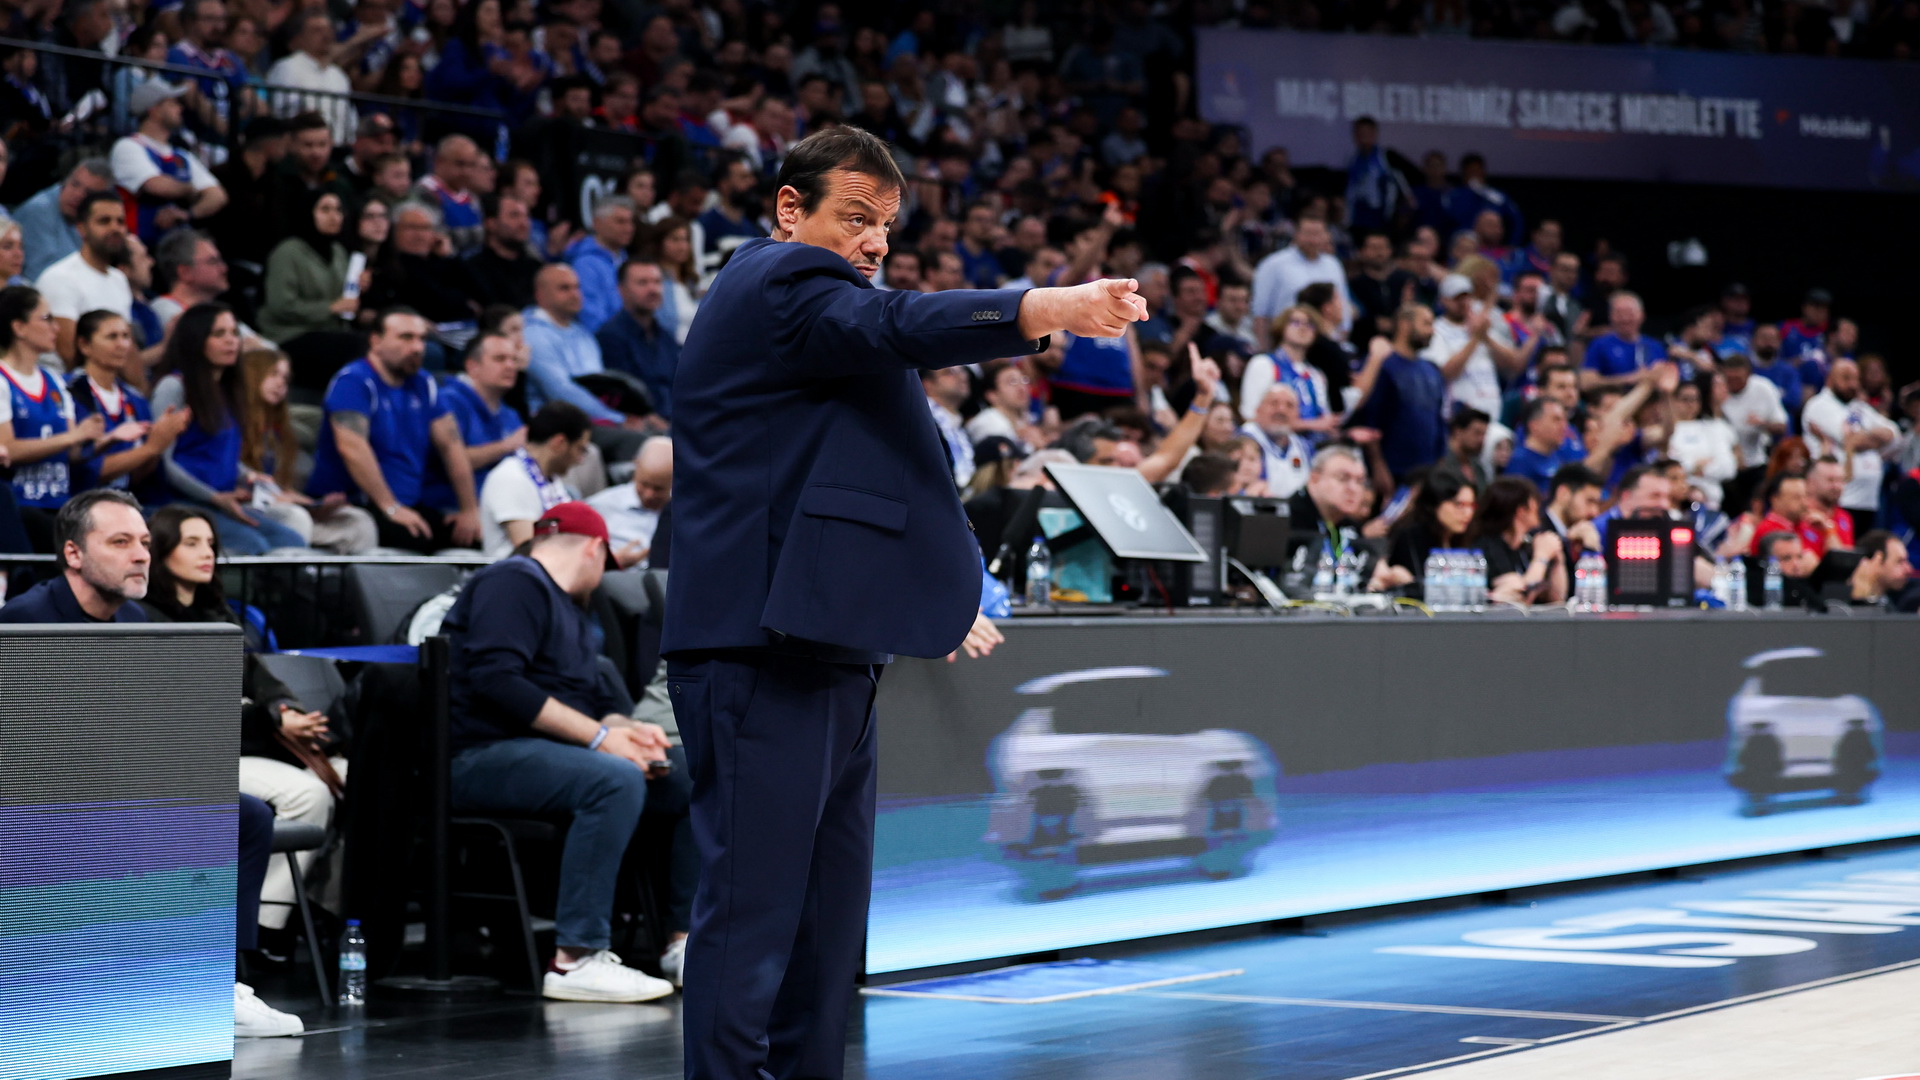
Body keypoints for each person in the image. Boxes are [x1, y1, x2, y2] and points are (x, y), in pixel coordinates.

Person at [664, 125, 1143, 1080]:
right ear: (790, 209)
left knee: (826, 930)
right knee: (754, 918)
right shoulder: (776, 281)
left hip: (828, 641)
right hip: (758, 645)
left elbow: (865, 465)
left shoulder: (819, 315)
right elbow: (895, 324)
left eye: (885, 224)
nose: (876, 241)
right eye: (856, 217)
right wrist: (1046, 306)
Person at [0, 491, 298, 1037]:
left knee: (246, 816)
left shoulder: (133, 617)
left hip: (118, 785)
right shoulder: (26, 620)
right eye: (120, 542)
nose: (141, 555)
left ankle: (216, 983)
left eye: (142, 542)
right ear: (73, 554)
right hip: (38, 801)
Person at [443, 501, 679, 1003]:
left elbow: (594, 704)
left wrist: (630, 731)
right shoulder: (513, 581)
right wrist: (600, 738)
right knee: (613, 778)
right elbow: (496, 681)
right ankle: (576, 959)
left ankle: (683, 941)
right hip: (479, 755)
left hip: (544, 755)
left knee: (687, 775)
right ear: (595, 548)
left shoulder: (570, 609)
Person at [140, 504, 347, 956]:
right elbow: (191, 710)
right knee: (308, 794)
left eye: (211, 544)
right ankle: (264, 927)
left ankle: (318, 914)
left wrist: (284, 711)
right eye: (191, 543)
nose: (207, 553)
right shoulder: (144, 619)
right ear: (162, 551)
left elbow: (262, 682)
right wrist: (268, 719)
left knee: (350, 774)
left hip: (250, 742)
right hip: (200, 758)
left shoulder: (218, 615)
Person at [308, 307, 482, 552]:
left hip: (409, 504)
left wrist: (469, 510)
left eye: (422, 339)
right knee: (413, 538)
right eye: (406, 337)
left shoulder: (424, 384)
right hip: (355, 503)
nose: (417, 347)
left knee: (474, 537)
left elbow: (451, 445)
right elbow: (352, 448)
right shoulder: (354, 381)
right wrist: (390, 506)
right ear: (376, 341)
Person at [153, 303, 308, 554]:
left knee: (291, 540)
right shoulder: (174, 387)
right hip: (178, 503)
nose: (231, 341)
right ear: (196, 340)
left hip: (220, 501)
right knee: (253, 546)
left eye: (234, 333)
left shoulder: (228, 392)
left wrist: (248, 475)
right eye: (219, 334)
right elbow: (162, 461)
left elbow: (219, 456)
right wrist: (214, 497)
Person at [0, 287, 111, 550]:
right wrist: (74, 436)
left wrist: (104, 440)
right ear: (19, 327)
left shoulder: (54, 381)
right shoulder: (3, 380)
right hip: (18, 506)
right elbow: (8, 449)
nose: (56, 328)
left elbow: (71, 452)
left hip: (59, 503)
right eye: (46, 318)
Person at [238, 351, 378, 552]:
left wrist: (316, 505)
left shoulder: (280, 432)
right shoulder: (229, 424)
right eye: (273, 374)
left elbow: (281, 488)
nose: (280, 383)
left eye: (285, 378)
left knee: (358, 521)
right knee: (295, 517)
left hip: (279, 505)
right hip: (246, 507)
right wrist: (281, 500)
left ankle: (341, 572)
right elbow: (233, 482)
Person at [524, 264, 652, 463]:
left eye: (577, 287)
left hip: (597, 420)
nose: (574, 294)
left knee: (665, 436)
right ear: (540, 295)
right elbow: (561, 391)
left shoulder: (583, 334)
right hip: (559, 425)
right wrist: (617, 419)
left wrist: (625, 415)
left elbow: (602, 386)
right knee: (642, 443)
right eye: (564, 288)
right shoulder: (532, 335)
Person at [69, 310, 191, 499]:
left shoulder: (135, 399)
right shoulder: (69, 390)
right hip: (80, 500)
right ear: (84, 345)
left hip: (128, 498)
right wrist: (151, 448)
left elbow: (137, 477)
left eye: (126, 336)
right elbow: (86, 470)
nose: (122, 344)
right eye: (112, 337)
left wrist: (162, 438)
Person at [108, 80, 228, 247]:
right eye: (172, 103)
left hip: (175, 248)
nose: (180, 108)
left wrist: (188, 214)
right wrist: (192, 190)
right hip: (136, 246)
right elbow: (156, 185)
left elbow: (218, 196)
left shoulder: (182, 155)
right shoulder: (127, 146)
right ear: (154, 110)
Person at [1347, 305, 1448, 482]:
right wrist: (1378, 465)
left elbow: (1439, 418)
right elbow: (1369, 418)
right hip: (1392, 467)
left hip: (1427, 468)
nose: (1432, 331)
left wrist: (1441, 459)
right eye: (1426, 324)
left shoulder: (1431, 369)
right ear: (1404, 324)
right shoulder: (1381, 364)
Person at [479, 402, 590, 557]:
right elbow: (529, 550)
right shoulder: (511, 477)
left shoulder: (550, 480)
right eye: (580, 449)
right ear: (559, 443)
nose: (580, 460)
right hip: (519, 571)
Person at [34, 192, 133, 364]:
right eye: (104, 221)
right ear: (82, 228)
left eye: (120, 221)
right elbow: (69, 353)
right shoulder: (60, 278)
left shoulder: (119, 279)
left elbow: (127, 349)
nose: (115, 228)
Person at [1801, 358, 1898, 532]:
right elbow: (1847, 439)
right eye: (1846, 378)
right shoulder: (1819, 405)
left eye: (1856, 379)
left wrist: (1862, 438)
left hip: (1869, 498)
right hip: (1840, 497)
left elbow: (1894, 434)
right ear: (1830, 379)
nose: (1853, 384)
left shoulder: (1859, 407)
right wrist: (1875, 438)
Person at [258, 191, 360, 350]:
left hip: (329, 332)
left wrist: (356, 287)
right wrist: (330, 308)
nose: (334, 216)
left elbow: (342, 300)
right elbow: (281, 306)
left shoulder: (338, 251)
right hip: (289, 334)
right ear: (307, 212)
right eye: (325, 209)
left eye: (338, 210)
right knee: (356, 346)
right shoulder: (287, 252)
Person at [1425, 272, 1525, 420]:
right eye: (1457, 298)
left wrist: (1485, 338)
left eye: (1466, 297)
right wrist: (1475, 339)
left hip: (1491, 409)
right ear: (1443, 300)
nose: (1463, 302)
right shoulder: (1436, 330)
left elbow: (1514, 363)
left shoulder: (1479, 326)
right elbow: (1447, 372)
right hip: (1460, 414)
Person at [442, 330, 528, 491]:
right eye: (500, 359)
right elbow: (448, 460)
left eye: (514, 360)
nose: (510, 366)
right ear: (472, 366)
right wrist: (506, 446)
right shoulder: (449, 402)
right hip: (455, 500)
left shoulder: (510, 414)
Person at [595, 259, 680, 423]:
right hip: (644, 424)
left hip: (677, 420)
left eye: (657, 282)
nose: (653, 289)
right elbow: (624, 396)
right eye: (642, 283)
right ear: (621, 290)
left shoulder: (666, 336)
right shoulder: (610, 337)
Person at [1250, 216, 1351, 343]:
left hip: (1327, 341)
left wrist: (1340, 343)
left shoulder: (1333, 265)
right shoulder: (1273, 264)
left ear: (1327, 236)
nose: (1313, 240)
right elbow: (1260, 313)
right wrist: (1264, 348)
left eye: (1318, 234)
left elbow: (1343, 309)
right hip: (1285, 340)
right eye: (1308, 234)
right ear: (1296, 234)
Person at [1469, 474, 1566, 605]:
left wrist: (1558, 562)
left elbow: (1557, 598)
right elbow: (1518, 595)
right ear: (1521, 510)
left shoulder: (1526, 544)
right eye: (1534, 502)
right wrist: (1541, 557)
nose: (1539, 506)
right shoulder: (1488, 546)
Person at [1240, 305, 1336, 436]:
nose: (1303, 328)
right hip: (1269, 441)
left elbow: (1325, 420)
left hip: (1312, 444)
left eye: (1310, 324)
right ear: (1282, 327)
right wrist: (1310, 425)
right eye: (1295, 322)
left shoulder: (1316, 375)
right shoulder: (1264, 363)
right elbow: (1249, 416)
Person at [1382, 468, 1476, 596]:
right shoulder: (1410, 536)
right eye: (1459, 505)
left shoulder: (1467, 537)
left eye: (1471, 506)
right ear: (1435, 503)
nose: (1468, 513)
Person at [15, 159, 114, 280]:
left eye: (88, 193)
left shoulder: (87, 218)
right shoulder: (39, 210)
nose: (78, 195)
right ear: (65, 182)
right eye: (75, 184)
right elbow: (42, 275)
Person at [588, 436, 672, 561]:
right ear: (636, 465)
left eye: (658, 489)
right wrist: (612, 563)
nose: (649, 494)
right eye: (644, 484)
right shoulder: (599, 508)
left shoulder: (687, 514)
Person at [1668, 374, 1740, 509]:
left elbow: (1728, 468)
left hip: (1713, 500)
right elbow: (1669, 465)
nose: (1691, 404)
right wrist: (1694, 466)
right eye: (1685, 399)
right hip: (1680, 499)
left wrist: (1702, 469)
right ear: (1674, 400)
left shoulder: (1712, 427)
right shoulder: (1669, 431)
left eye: (1695, 399)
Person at [566, 195, 636, 333]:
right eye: (620, 221)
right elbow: (591, 319)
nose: (629, 228)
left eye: (630, 222)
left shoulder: (626, 260)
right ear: (597, 223)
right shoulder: (585, 265)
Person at [464, 193, 544, 310]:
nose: (524, 223)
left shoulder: (537, 268)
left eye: (526, 216)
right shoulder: (471, 269)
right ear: (491, 224)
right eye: (514, 215)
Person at [1238, 386, 1313, 499]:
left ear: (1297, 414)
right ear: (1258, 410)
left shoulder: (1305, 448)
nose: (1281, 410)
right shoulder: (1243, 440)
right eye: (1274, 403)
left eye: (1289, 405)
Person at [1581, 291, 1666, 391]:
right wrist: (1628, 379)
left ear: (1642, 315)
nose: (1625, 319)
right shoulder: (1599, 344)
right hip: (1614, 398)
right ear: (1610, 316)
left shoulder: (1655, 346)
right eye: (1619, 313)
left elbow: (1666, 379)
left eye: (1630, 313)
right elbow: (1586, 383)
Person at [1850, 530, 1917, 611]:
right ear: (1876, 562)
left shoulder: (1889, 603)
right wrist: (1861, 600)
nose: (1909, 569)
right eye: (1899, 562)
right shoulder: (1842, 605)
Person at [1802, 456, 1857, 551]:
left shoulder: (1844, 517)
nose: (1837, 486)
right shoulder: (1800, 516)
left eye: (1840, 480)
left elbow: (1845, 557)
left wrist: (1829, 529)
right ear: (1810, 483)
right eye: (1830, 480)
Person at [1433, 406, 1491, 493]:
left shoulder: (1478, 467)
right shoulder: (1439, 461)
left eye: (1484, 434)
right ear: (1458, 432)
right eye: (1477, 433)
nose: (1481, 439)